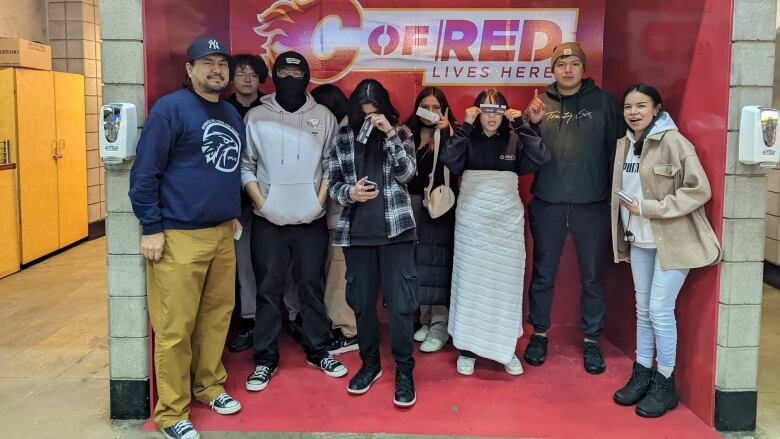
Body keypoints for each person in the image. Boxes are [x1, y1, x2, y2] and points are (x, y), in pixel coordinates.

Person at [129, 37, 243, 439]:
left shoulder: (230, 113)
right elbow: (144, 174)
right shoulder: (170, 110)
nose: (217, 70)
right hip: (177, 236)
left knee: (216, 318)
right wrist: (151, 227)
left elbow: (226, 171)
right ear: (190, 69)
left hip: (221, 233)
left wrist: (231, 216)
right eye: (207, 62)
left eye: (221, 64)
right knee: (175, 328)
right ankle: (172, 412)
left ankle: (209, 386)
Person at [610, 84, 721, 417]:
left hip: (673, 240)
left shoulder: (674, 142)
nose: (633, 112)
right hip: (639, 240)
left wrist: (651, 208)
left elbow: (698, 190)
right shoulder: (624, 145)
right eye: (628, 106)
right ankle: (642, 372)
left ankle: (664, 382)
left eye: (641, 105)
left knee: (659, 309)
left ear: (656, 108)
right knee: (642, 309)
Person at [241, 51, 346, 393]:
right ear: (274, 76)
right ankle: (266, 358)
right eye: (282, 72)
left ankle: (318, 350)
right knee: (268, 291)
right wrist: (263, 203)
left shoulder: (324, 116)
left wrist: (318, 203)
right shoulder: (257, 116)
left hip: (310, 220)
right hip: (268, 220)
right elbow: (246, 164)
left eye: (295, 72)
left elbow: (333, 164)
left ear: (306, 77)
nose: (289, 78)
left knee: (310, 286)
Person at [523, 42, 624, 374]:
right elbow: (527, 153)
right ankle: (539, 333)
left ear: (583, 68)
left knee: (593, 277)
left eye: (574, 63)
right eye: (561, 63)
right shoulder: (540, 104)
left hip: (592, 206)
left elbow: (621, 152)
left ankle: (592, 340)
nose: (567, 69)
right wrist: (531, 123)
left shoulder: (604, 103)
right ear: (552, 70)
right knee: (543, 273)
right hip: (548, 203)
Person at [441, 89, 549, 376]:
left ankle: (505, 349)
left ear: (505, 112)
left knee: (505, 284)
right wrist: (464, 124)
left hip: (506, 222)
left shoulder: (515, 136)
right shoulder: (467, 136)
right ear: (477, 112)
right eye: (485, 110)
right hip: (472, 221)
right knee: (471, 282)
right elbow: (450, 160)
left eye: (497, 109)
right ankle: (467, 348)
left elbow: (539, 159)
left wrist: (525, 124)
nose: (491, 116)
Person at [328, 78, 418, 407]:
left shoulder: (402, 132)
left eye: (374, 113)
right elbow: (333, 179)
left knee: (401, 306)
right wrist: (349, 193)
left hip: (397, 232)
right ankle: (370, 365)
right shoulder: (343, 135)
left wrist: (390, 133)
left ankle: (405, 370)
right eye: (363, 113)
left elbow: (409, 174)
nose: (368, 118)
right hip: (357, 233)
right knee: (362, 305)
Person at [405, 87, 459, 353]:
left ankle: (440, 325)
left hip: (438, 208)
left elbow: (457, 164)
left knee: (437, 266)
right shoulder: (407, 134)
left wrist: (446, 131)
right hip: (410, 207)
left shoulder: (452, 134)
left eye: (436, 107)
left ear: (445, 110)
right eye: (425, 105)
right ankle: (425, 319)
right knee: (418, 265)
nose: (430, 111)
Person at [310, 84, 360, 355]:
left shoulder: (343, 133)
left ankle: (349, 331)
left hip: (343, 218)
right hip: (334, 217)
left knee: (339, 276)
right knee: (336, 274)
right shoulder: (344, 128)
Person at [225, 54, 267, 353]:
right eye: (240, 73)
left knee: (281, 261)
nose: (247, 78)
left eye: (253, 73)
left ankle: (289, 316)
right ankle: (249, 319)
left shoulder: (272, 107)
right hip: (234, 200)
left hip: (271, 197)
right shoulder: (222, 109)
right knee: (243, 262)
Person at [225, 54, 267, 118]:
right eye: (240, 75)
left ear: (260, 79)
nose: (247, 80)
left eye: (253, 75)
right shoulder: (224, 108)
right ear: (231, 78)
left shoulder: (270, 105)